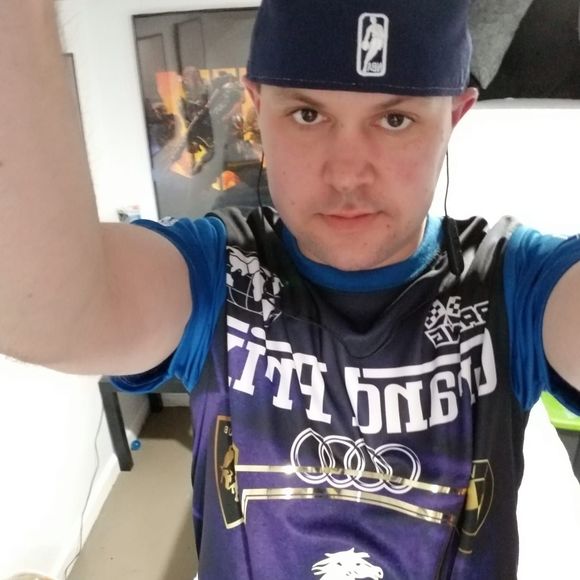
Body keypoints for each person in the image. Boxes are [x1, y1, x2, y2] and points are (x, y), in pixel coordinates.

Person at [1, 1, 579, 578]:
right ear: (258, 110)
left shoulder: (513, 282)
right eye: (307, 114)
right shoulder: (218, 271)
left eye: (395, 120)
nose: (347, 174)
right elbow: (45, 313)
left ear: (453, 119)